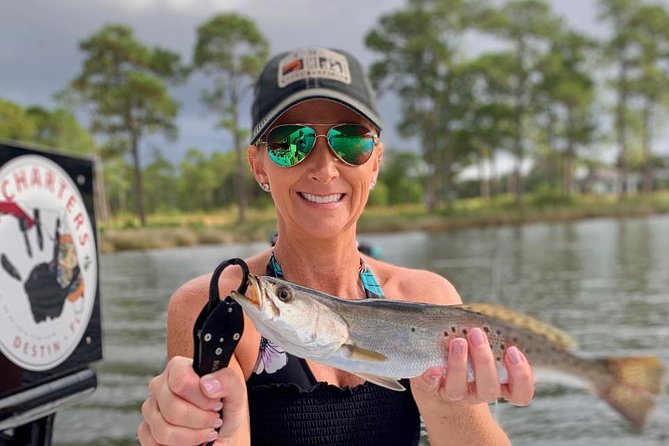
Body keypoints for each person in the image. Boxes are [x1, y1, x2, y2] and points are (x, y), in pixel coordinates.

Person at [137, 47, 534, 446]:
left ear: (375, 162)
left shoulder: (428, 298)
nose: (324, 169)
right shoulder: (211, 308)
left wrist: (446, 404)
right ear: (258, 165)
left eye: (350, 140)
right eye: (290, 142)